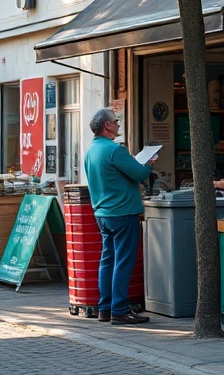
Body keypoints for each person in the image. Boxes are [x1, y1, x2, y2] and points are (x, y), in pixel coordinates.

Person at [83, 107, 154, 326]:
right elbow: (140, 174)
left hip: (103, 213)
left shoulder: (91, 151)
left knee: (108, 260)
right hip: (123, 212)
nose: (118, 124)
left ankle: (105, 308)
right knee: (123, 262)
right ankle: (120, 310)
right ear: (107, 125)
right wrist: (148, 163)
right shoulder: (115, 150)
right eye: (115, 121)